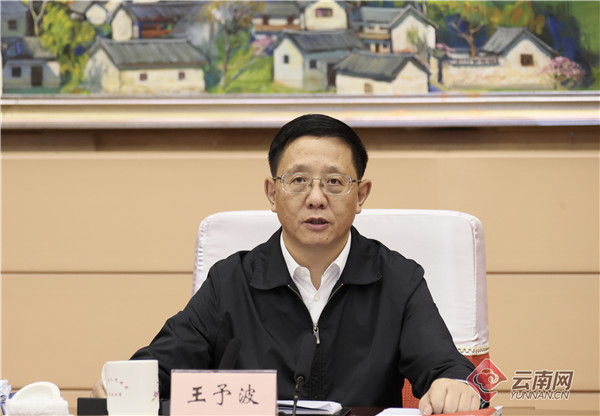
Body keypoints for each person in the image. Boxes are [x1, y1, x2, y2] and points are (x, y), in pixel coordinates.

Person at [93, 114, 481, 414]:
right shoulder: (231, 282)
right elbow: (158, 369)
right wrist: (122, 386)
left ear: (361, 195)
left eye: (334, 182)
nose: (316, 198)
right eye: (298, 181)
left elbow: (448, 368)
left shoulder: (398, 280)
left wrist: (456, 385)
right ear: (272, 193)